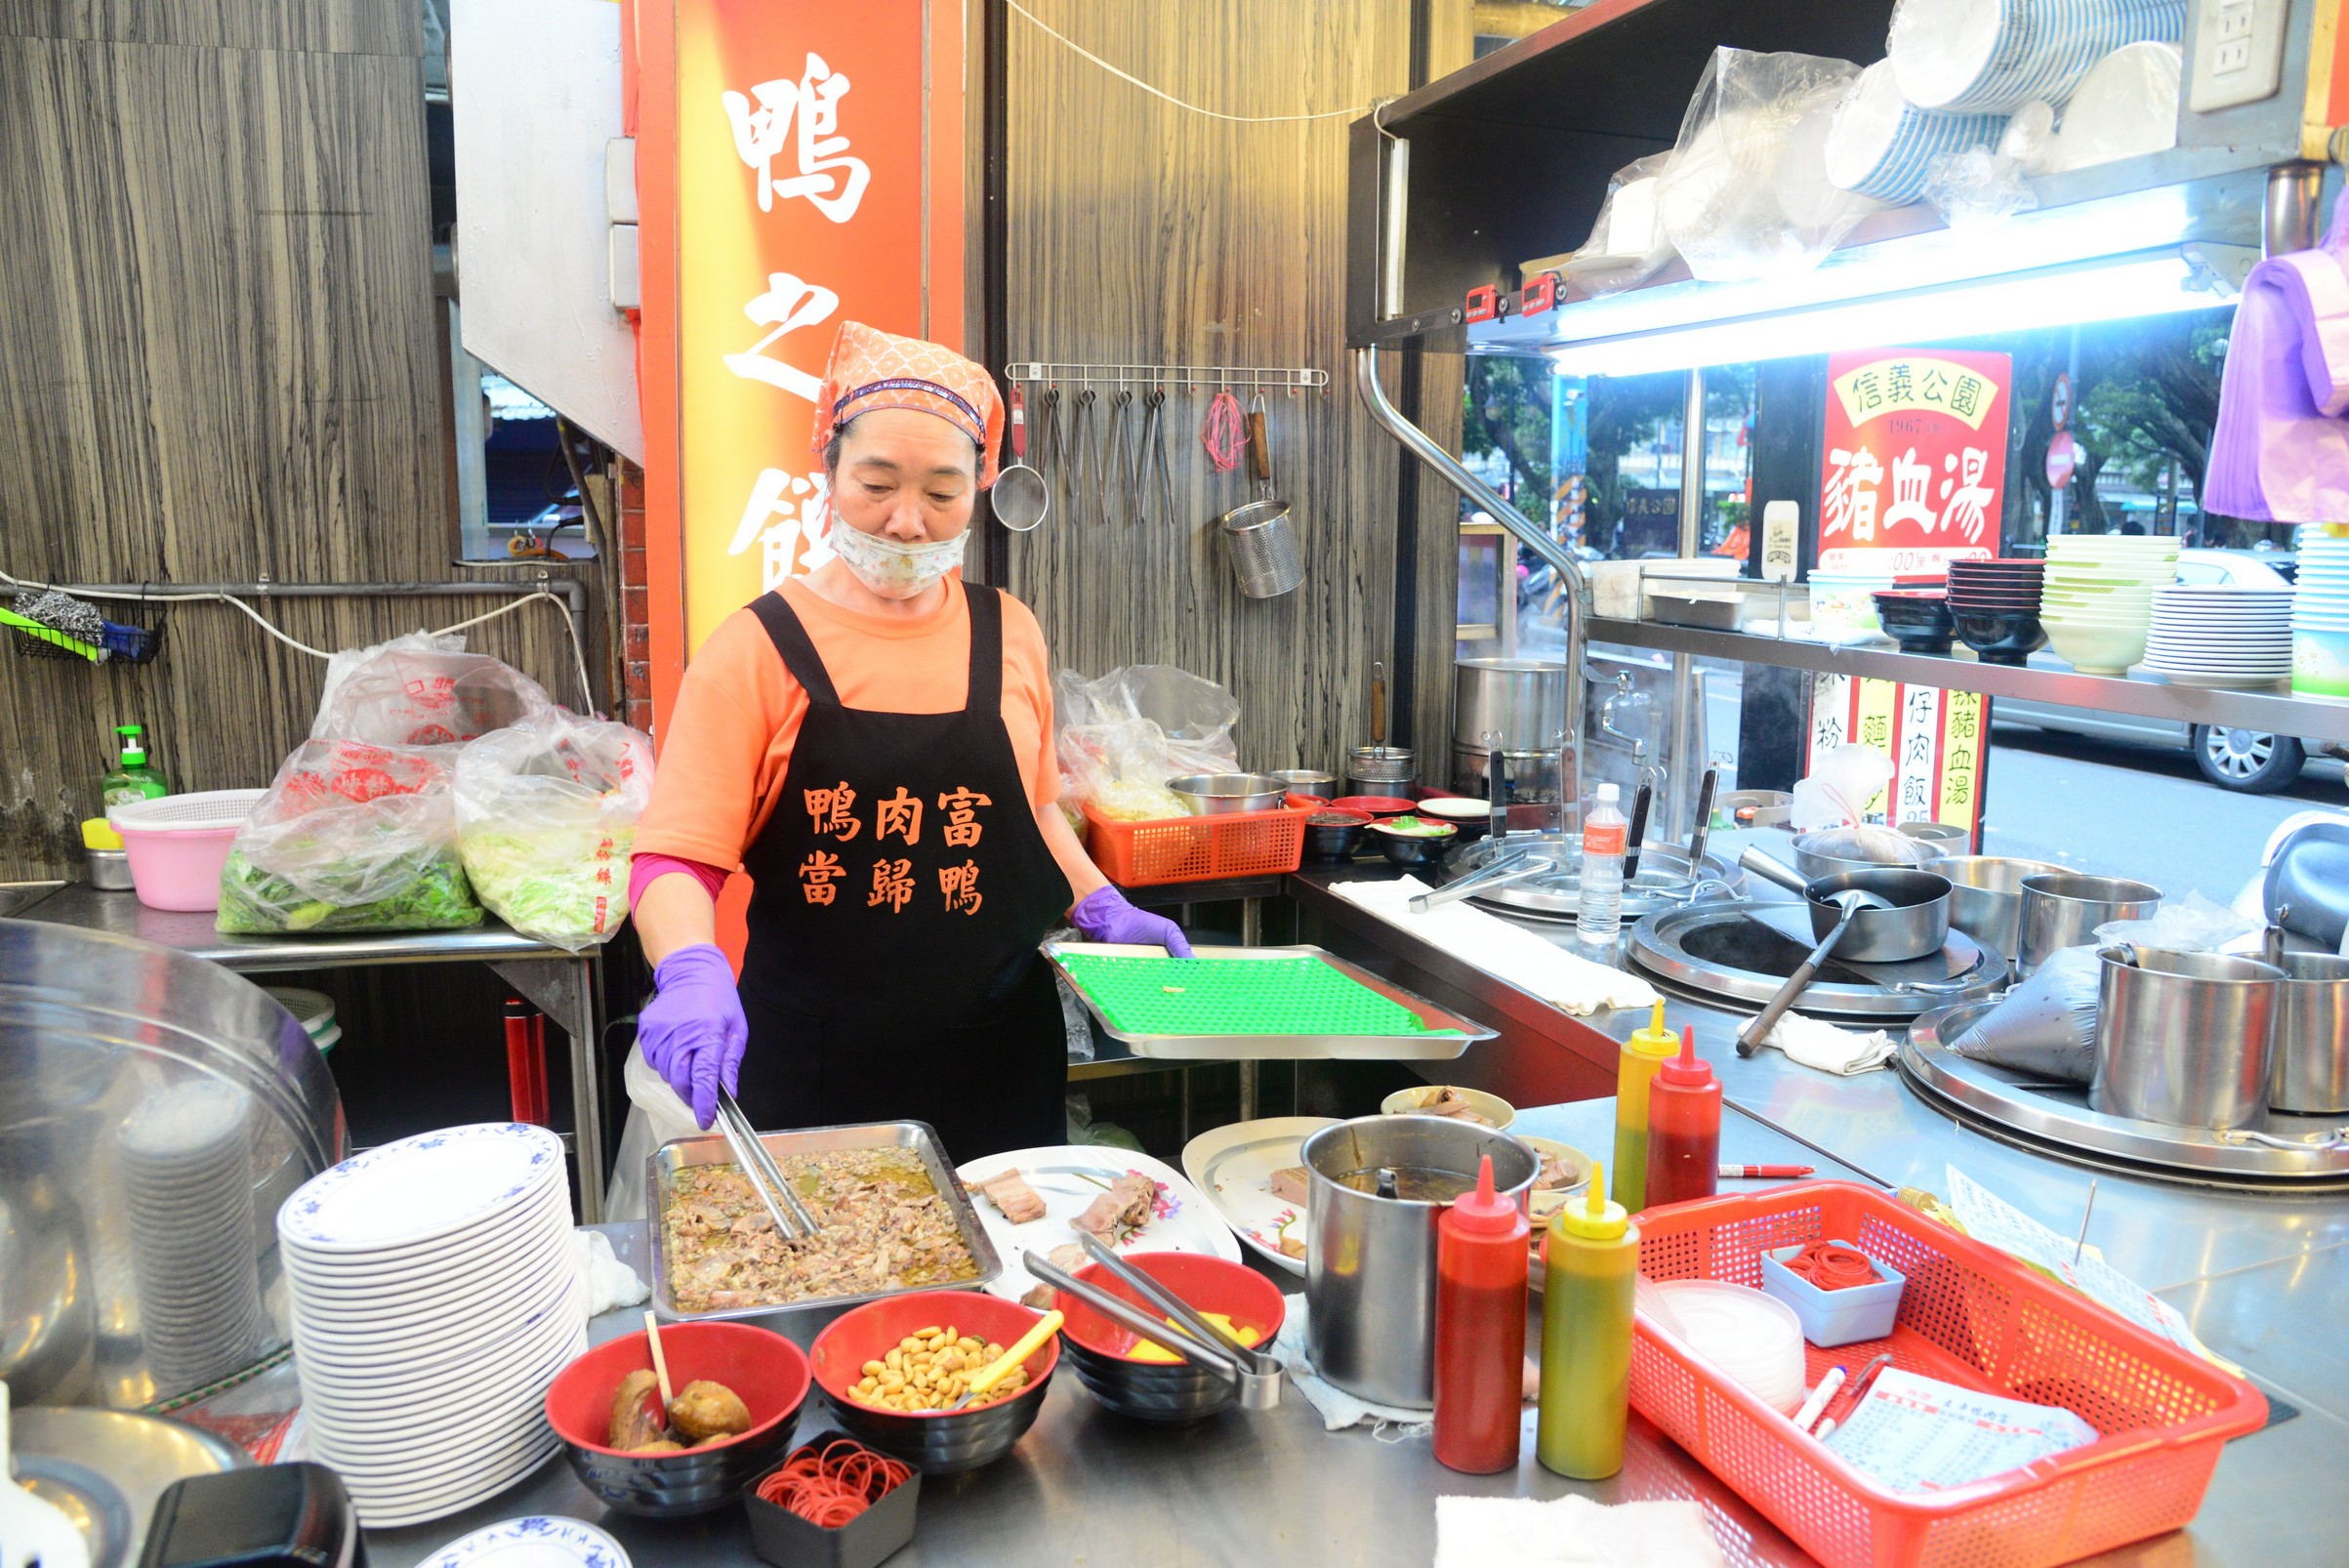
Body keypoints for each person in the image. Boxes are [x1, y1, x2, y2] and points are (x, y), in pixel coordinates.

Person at [625, 321, 1189, 1160]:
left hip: (1000, 1058)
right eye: (876, 484)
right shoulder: (754, 649)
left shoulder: (1012, 632)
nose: (906, 523)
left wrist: (1098, 901)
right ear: (828, 474)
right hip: (817, 1070)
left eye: (942, 491)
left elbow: (1031, 812)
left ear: (980, 488)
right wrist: (690, 969)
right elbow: (677, 857)